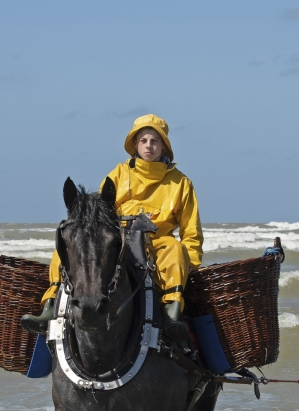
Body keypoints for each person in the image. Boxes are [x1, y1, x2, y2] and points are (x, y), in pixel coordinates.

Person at [21, 114, 203, 341]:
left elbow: (191, 231)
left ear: (163, 146)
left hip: (158, 243)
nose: (149, 146)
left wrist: (191, 264)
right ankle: (49, 307)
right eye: (144, 140)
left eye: (155, 141)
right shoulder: (118, 174)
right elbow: (100, 216)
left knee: (175, 248)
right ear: (136, 144)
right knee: (66, 250)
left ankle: (171, 314)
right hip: (120, 241)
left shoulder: (181, 183)